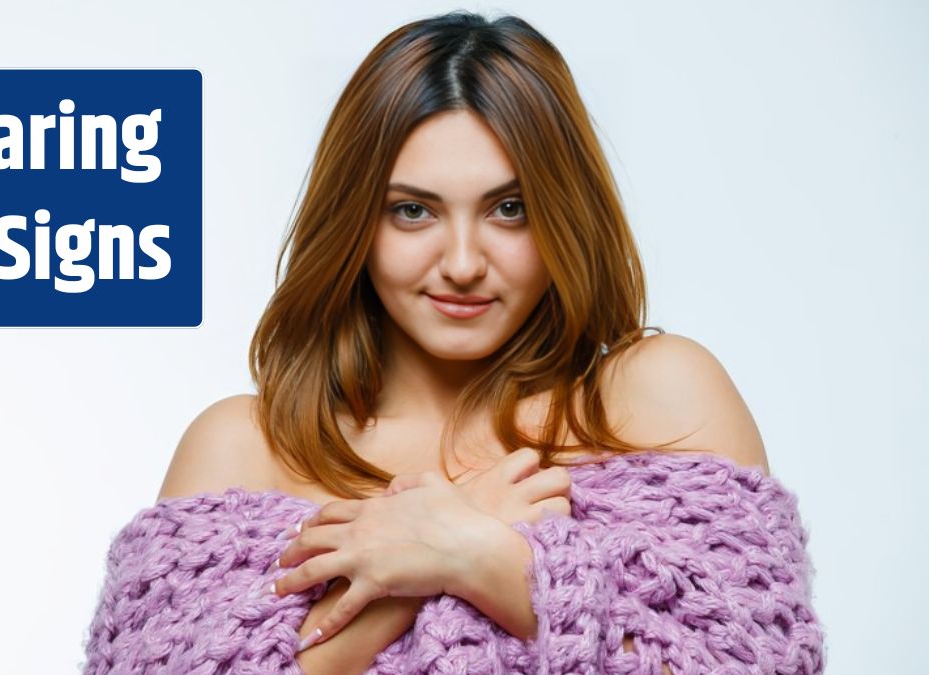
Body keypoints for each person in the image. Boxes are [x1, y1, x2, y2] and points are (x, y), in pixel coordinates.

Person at [87, 10, 825, 674]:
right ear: (354, 224)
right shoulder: (244, 449)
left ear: (564, 215)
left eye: (510, 208)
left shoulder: (658, 399)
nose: (465, 261)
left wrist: (478, 554)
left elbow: (749, 663)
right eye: (413, 211)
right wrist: (404, 568)